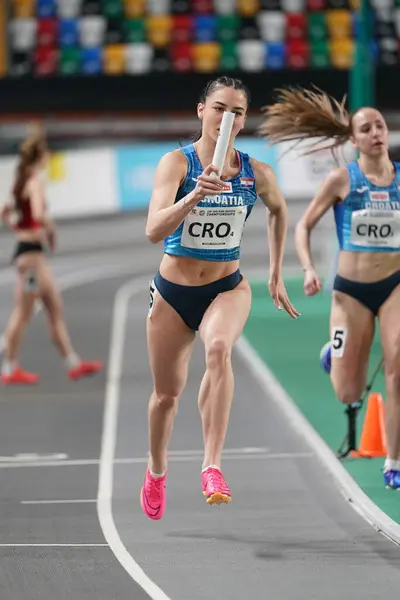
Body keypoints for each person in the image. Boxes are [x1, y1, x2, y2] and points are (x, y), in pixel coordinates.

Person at [141, 76, 300, 521]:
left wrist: (274, 272)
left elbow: (280, 210)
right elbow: (154, 231)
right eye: (218, 108)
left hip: (227, 287)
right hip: (173, 293)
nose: (226, 118)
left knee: (218, 348)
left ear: (245, 119)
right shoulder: (177, 163)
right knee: (166, 396)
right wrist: (194, 194)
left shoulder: (255, 172)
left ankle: (212, 466)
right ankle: (156, 471)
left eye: (237, 111)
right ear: (201, 112)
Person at [259, 87, 400, 490]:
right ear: (353, 140)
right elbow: (303, 226)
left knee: (397, 367)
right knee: (348, 391)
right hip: (351, 290)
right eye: (366, 128)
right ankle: (333, 356)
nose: (375, 132)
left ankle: (394, 460)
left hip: (395, 286)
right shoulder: (343, 179)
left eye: (380, 125)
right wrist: (307, 268)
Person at [0, 133, 103, 385]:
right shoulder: (33, 180)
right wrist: (50, 228)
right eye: (46, 155)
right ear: (40, 156)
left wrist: (19, 228)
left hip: (33, 255)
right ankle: (9, 367)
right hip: (31, 259)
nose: (48, 159)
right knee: (23, 313)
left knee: (54, 308)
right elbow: (36, 213)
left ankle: (73, 363)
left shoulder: (21, 180)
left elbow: (5, 211)